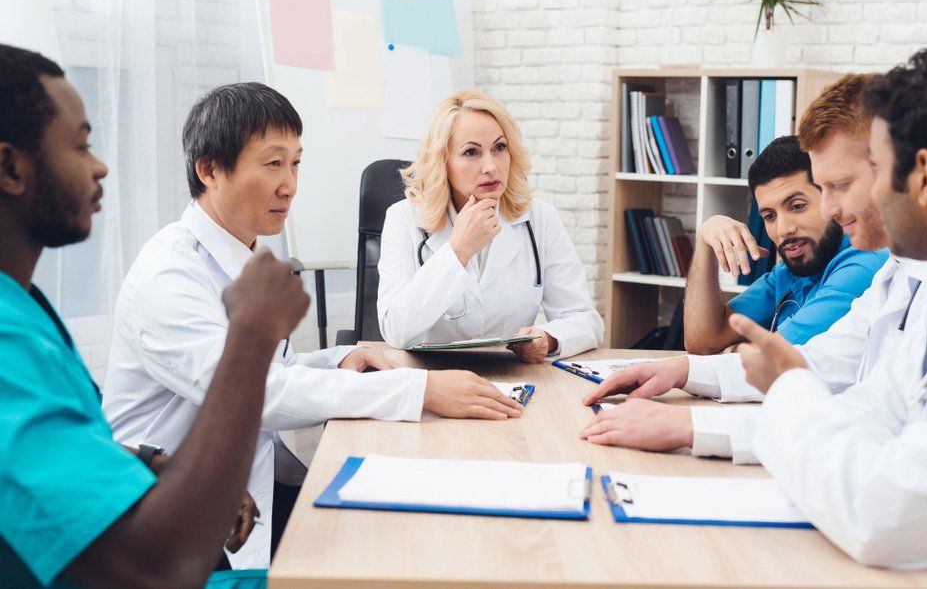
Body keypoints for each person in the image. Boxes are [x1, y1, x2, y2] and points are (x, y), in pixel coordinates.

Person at [101, 83, 522, 569]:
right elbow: (255, 393)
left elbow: (266, 370)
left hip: (244, 490)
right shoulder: (169, 276)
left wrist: (336, 358)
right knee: (387, 554)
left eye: (295, 163)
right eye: (272, 164)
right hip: (174, 524)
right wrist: (419, 389)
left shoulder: (242, 254)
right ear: (209, 170)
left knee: (412, 529)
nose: (290, 185)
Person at [0, 43, 291, 587]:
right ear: (10, 168)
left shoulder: (23, 306)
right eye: (80, 146)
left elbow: (59, 447)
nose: (100, 165)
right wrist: (252, 335)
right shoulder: (6, 342)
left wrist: (152, 462)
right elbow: (154, 571)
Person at [732, 48, 927, 569]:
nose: (837, 207)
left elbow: (888, 519)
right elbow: (874, 413)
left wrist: (788, 387)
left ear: (924, 175)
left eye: (875, 167)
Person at [579, 73, 927, 460]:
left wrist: (695, 421)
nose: (829, 209)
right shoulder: (885, 273)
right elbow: (810, 363)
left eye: (838, 186)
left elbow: (812, 385)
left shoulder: (871, 261)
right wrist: (683, 371)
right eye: (769, 215)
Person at [377, 91, 604, 363]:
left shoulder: (540, 219)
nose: (491, 166)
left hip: (513, 376)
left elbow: (584, 319)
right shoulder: (403, 218)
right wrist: (458, 250)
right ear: (443, 162)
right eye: (471, 152)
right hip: (434, 377)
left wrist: (548, 338)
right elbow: (396, 329)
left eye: (499, 148)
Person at [683, 135, 886, 354]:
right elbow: (702, 341)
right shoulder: (791, 271)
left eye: (797, 206)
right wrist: (705, 241)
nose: (783, 230)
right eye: (769, 216)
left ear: (830, 198)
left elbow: (773, 356)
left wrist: (733, 350)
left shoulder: (866, 260)